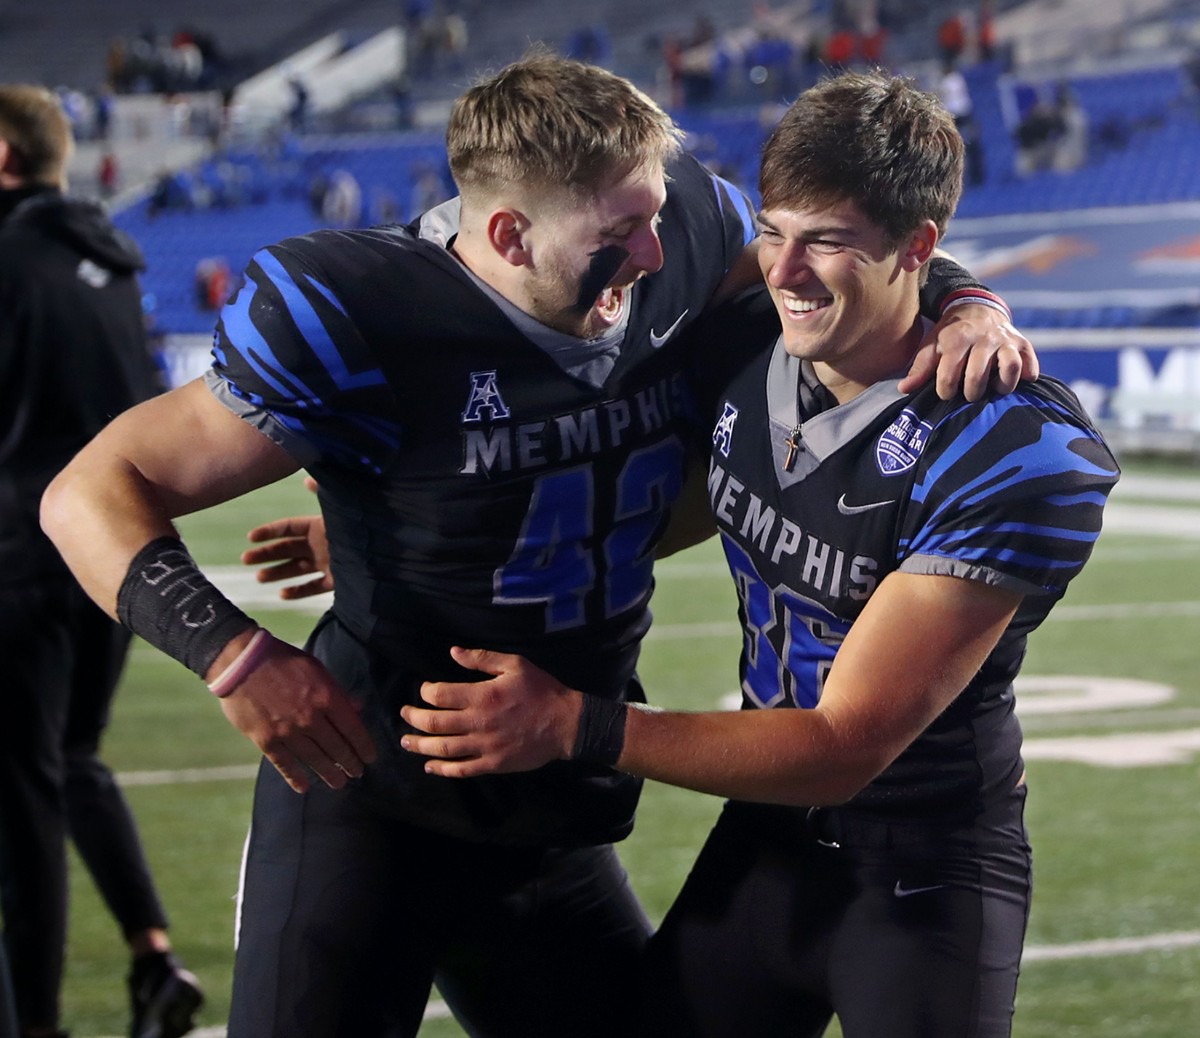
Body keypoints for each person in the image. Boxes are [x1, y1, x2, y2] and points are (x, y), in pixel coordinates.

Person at [42, 53, 1031, 1038]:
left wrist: (963, 299)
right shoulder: (367, 312)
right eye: (620, 231)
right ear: (510, 231)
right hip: (374, 795)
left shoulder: (682, 223)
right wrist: (234, 653)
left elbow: (846, 261)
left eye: (654, 216)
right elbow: (89, 491)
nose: (654, 250)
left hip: (554, 802)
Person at [399, 70, 1120, 1037]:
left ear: (916, 247)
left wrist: (579, 725)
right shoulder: (747, 344)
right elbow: (627, 489)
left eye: (826, 240)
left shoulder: (1009, 445)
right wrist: (426, 524)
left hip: (923, 865)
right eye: (777, 230)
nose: (782, 270)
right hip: (763, 836)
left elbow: (842, 749)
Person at [0, 85, 203, 1038]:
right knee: (72, 761)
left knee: (25, 788)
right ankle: (154, 957)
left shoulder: (7, 259)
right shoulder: (108, 261)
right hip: (112, 558)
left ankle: (34, 1020)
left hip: (20, 557)